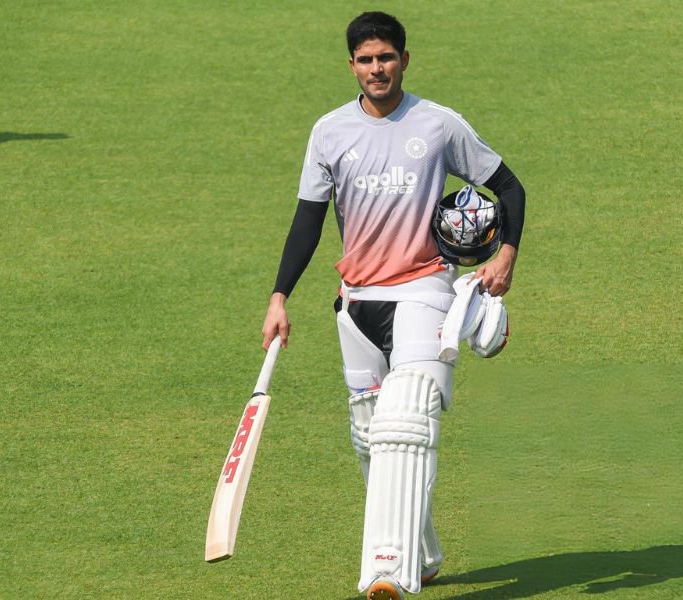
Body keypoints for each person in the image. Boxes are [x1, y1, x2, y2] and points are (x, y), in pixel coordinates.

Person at [260, 11, 526, 600]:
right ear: (351, 65)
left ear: (405, 60)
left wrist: (504, 256)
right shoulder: (329, 131)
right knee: (368, 437)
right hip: (356, 301)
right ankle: (425, 553)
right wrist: (279, 297)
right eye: (364, 59)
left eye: (386, 58)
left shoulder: (437, 124)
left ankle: (389, 571)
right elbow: (307, 221)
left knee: (405, 420)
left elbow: (509, 187)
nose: (376, 69)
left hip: (424, 289)